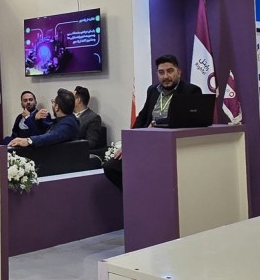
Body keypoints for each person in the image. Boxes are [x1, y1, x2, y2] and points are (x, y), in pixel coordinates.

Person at [104, 54, 202, 189]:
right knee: (111, 167)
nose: (166, 76)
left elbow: (189, 122)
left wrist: (158, 125)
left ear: (178, 72)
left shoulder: (191, 91)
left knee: (151, 171)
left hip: (169, 146)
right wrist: (129, 143)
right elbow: (142, 117)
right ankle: (136, 194)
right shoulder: (153, 90)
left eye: (170, 71)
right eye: (161, 72)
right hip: (146, 143)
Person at [7, 89, 79, 149]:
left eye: (53, 102)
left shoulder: (69, 123)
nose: (28, 102)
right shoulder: (61, 120)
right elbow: (47, 128)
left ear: (57, 107)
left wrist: (28, 141)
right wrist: (37, 120)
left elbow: (52, 136)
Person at [73, 85, 104, 150]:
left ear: (78, 100)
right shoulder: (68, 115)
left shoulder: (93, 118)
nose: (68, 100)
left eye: (71, 98)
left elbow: (91, 143)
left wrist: (70, 145)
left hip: (78, 152)